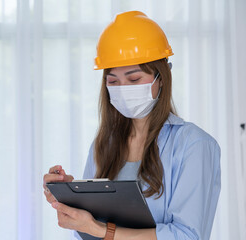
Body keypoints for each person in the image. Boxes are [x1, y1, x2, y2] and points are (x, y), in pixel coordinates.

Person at [43, 11, 221, 240]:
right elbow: (84, 234)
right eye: (113, 81)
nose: (123, 89)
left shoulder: (195, 145)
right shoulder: (103, 145)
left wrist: (100, 230)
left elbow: (187, 236)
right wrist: (69, 198)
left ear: (162, 78)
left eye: (134, 79)